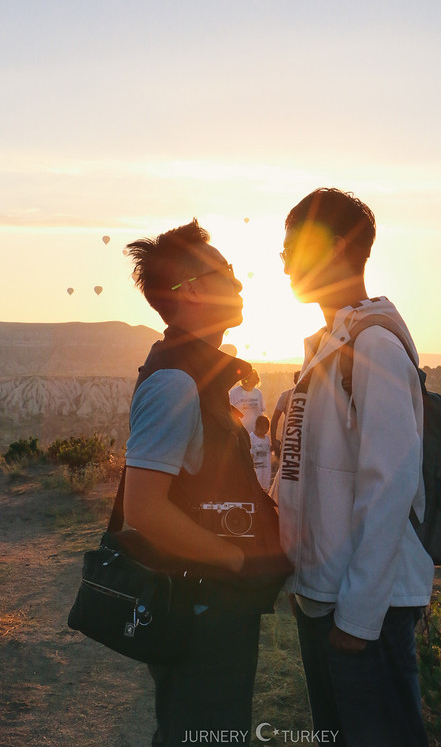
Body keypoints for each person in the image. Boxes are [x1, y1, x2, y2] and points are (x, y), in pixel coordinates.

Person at [276, 188, 434, 747]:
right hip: (325, 597)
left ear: (339, 246)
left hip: (368, 612)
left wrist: (359, 617)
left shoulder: (373, 347)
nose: (284, 257)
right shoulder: (329, 343)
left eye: (295, 244)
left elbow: (390, 482)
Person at [124, 220, 290, 746]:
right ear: (191, 290)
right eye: (226, 274)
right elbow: (143, 511)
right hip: (201, 609)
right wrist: (238, 562)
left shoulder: (195, 373)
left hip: (212, 604)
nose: (239, 286)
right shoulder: (175, 381)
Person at [270, 371, 300, 457]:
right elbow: (275, 418)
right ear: (295, 381)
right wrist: (274, 441)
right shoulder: (286, 395)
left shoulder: (312, 396)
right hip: (288, 441)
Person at [229, 369, 265, 433]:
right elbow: (229, 413)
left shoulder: (258, 393)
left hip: (255, 434)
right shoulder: (233, 393)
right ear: (244, 380)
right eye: (251, 381)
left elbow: (261, 412)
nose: (253, 384)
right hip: (240, 432)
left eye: (255, 382)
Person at [249, 415, 271, 491]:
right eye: (262, 427)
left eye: (266, 428)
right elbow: (250, 453)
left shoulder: (267, 438)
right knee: (256, 488)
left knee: (265, 488)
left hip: (266, 469)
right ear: (257, 426)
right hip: (256, 468)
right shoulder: (252, 437)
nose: (264, 430)